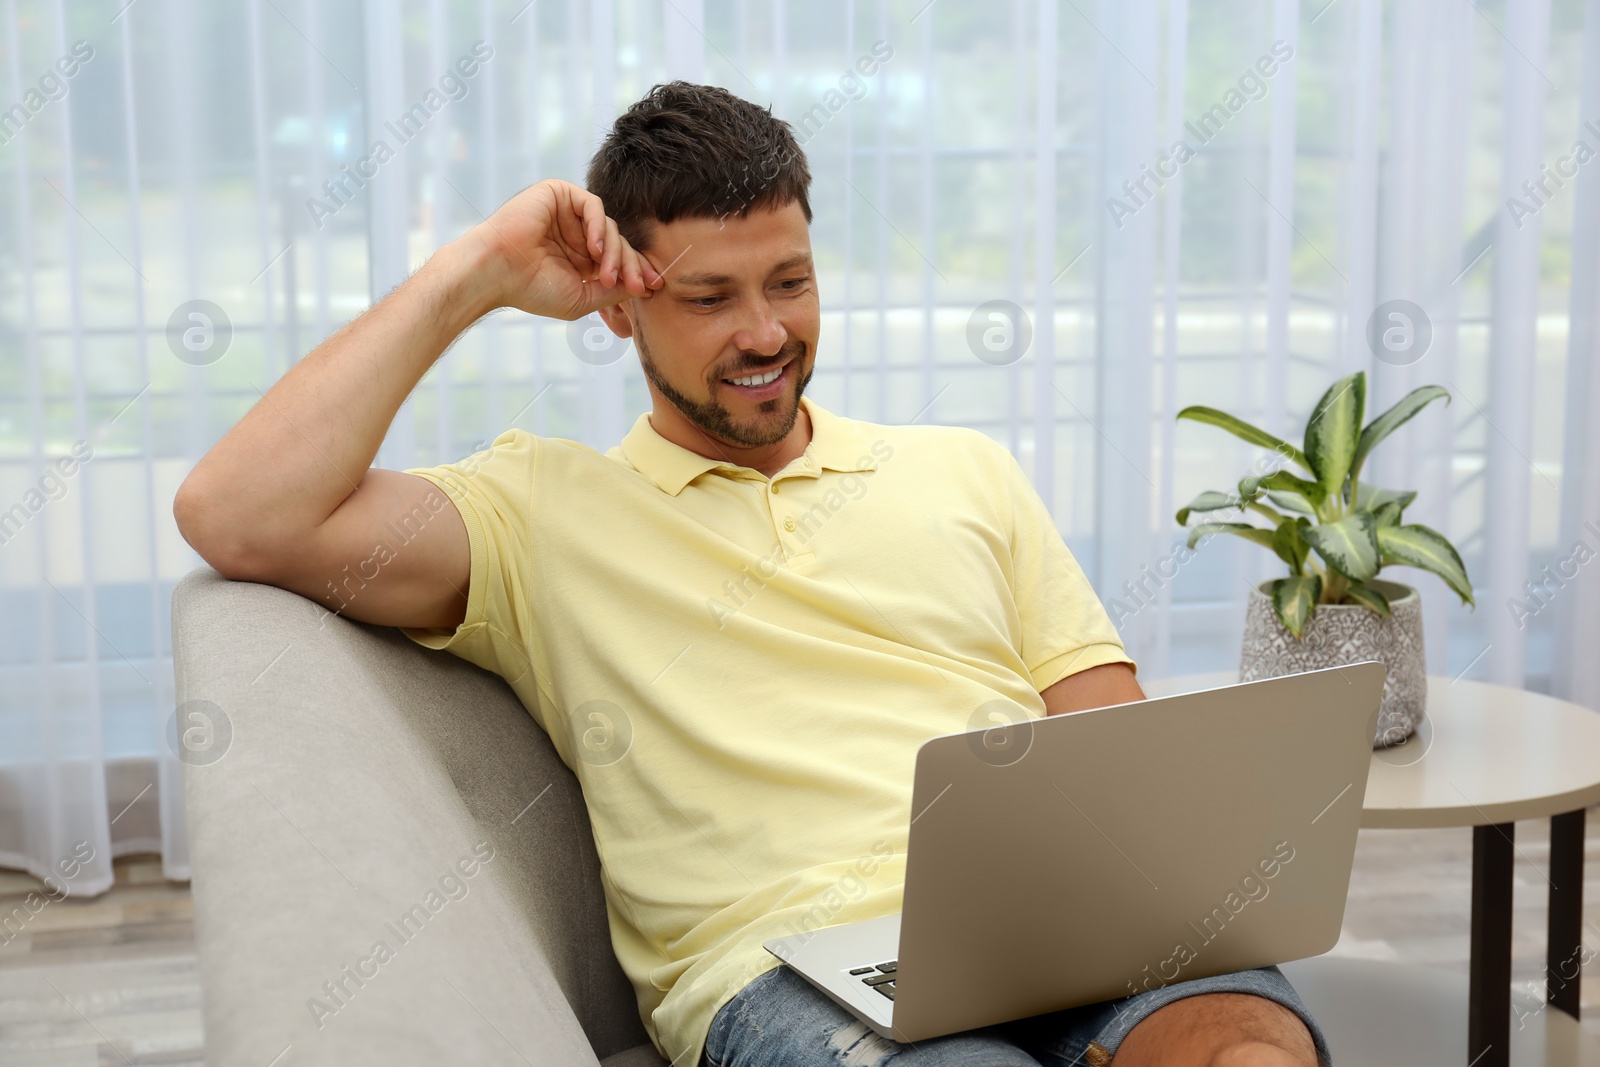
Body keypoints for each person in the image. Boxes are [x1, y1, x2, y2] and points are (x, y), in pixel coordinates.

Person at [174, 81, 1328, 1067]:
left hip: (1061, 920)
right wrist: (473, 271)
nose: (766, 331)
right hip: (788, 967)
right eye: (709, 298)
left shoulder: (961, 469)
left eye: (789, 281)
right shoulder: (537, 512)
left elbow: (1112, 748)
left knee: (1246, 1048)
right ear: (621, 306)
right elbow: (237, 512)